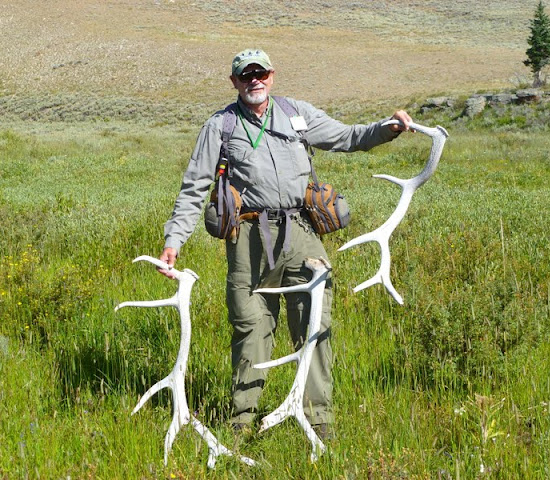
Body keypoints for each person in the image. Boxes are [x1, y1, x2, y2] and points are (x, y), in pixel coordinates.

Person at [158, 48, 412, 437]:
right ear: (234, 82)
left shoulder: (297, 114)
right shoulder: (220, 126)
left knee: (314, 322)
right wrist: (174, 240)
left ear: (272, 76)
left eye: (260, 73)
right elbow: (194, 188)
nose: (254, 81)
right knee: (251, 325)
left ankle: (318, 420)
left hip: (302, 233)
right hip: (248, 239)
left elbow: (347, 137)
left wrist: (388, 128)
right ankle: (242, 421)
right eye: (246, 75)